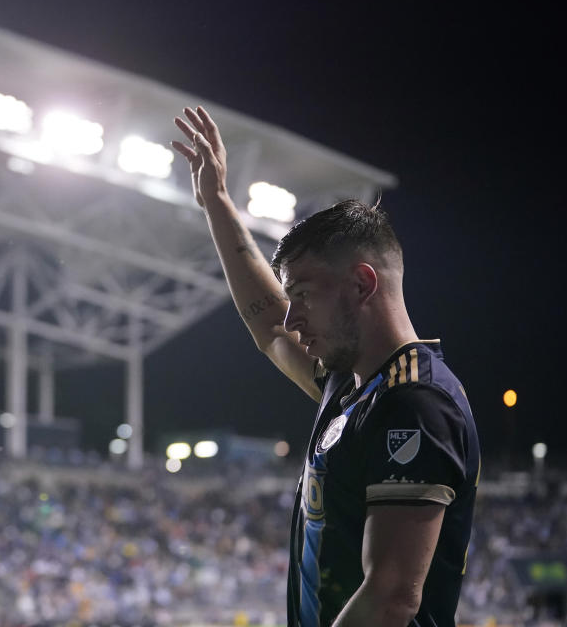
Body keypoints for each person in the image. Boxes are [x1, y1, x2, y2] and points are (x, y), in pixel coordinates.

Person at [172, 106, 479, 627]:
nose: (292, 316)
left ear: (362, 285)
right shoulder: (356, 386)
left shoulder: (416, 404)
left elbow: (390, 598)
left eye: (304, 296)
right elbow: (268, 326)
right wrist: (217, 203)